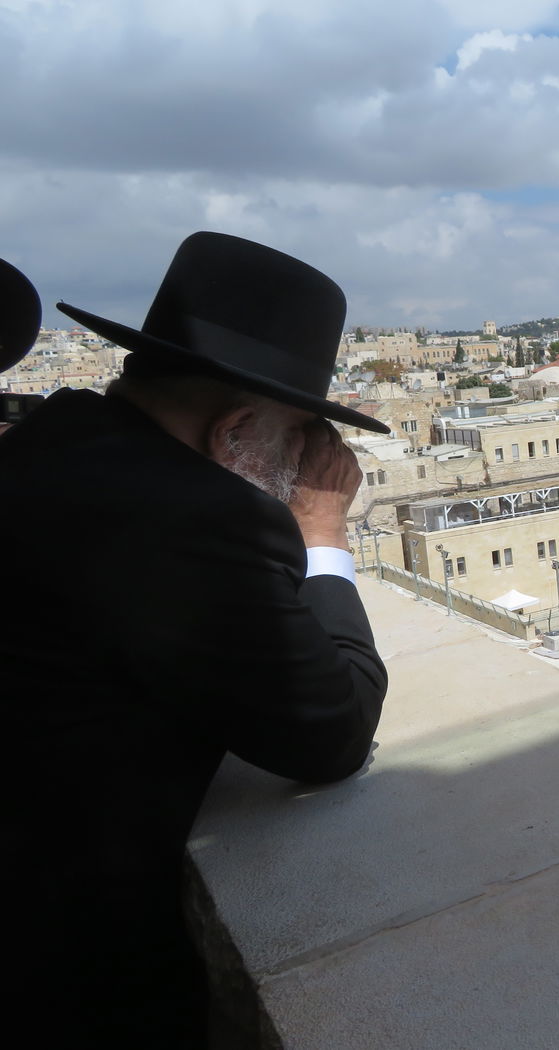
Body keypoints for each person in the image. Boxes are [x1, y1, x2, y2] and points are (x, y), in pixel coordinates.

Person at [3, 233, 391, 1044]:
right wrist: (323, 532)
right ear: (236, 429)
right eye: (299, 442)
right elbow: (331, 731)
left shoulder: (51, 441)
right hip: (63, 962)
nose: (302, 468)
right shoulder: (187, 518)